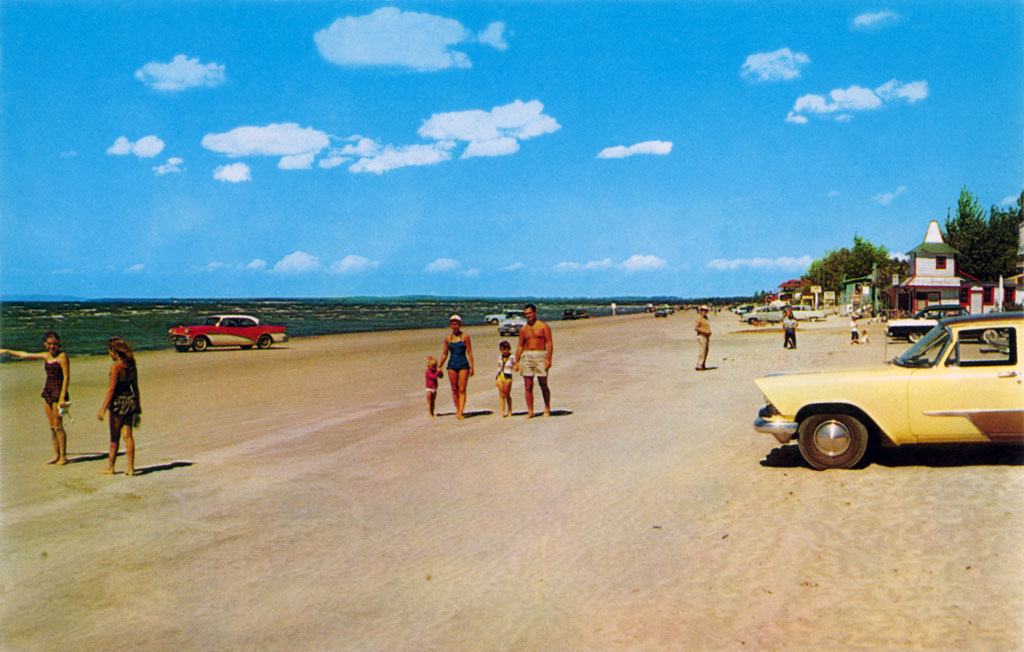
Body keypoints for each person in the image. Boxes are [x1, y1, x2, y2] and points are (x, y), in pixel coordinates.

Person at [1, 331, 71, 465]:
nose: (52, 346)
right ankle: (55, 454)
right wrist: (8, 351)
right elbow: (25, 354)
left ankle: (63, 456)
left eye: (55, 344)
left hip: (58, 392)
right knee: (51, 426)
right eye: (50, 344)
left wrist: (62, 396)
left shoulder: (63, 357)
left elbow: (66, 377)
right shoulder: (46, 356)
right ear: (45, 344)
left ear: (59, 344)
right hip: (47, 391)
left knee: (58, 426)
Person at [97, 336, 140, 476]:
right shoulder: (132, 365)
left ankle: (111, 467)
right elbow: (136, 387)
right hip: (130, 400)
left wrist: (102, 409)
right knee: (128, 436)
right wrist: (138, 406)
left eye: (109, 351)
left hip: (117, 403)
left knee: (114, 437)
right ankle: (131, 468)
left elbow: (111, 389)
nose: (109, 354)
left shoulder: (115, 367)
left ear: (114, 351)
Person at [515, 303, 553, 417]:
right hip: (527, 355)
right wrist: (516, 361)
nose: (528, 316)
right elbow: (520, 345)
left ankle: (547, 408)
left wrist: (549, 359)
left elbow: (549, 343)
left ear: (535, 312)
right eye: (526, 314)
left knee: (543, 384)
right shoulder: (523, 329)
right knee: (528, 385)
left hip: (540, 354)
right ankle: (530, 411)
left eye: (530, 313)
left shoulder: (543, 326)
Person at [437, 315, 474, 419]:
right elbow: (445, 354)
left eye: (456, 324)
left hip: (463, 364)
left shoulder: (465, 337)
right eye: (453, 324)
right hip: (452, 365)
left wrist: (472, 366)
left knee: (462, 389)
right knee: (454, 389)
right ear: (450, 325)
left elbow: (469, 352)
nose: (455, 326)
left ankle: (461, 412)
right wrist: (440, 366)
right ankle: (458, 409)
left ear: (460, 324)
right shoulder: (448, 339)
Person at [495, 340, 515, 417]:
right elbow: (498, 367)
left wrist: (516, 367)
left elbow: (515, 365)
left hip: (508, 375)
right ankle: (502, 411)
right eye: (503, 349)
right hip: (501, 375)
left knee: (507, 393)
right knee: (501, 394)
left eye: (506, 349)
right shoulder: (500, 357)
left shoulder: (512, 357)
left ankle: (509, 409)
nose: (505, 351)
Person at [695, 305, 712, 370]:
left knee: (706, 350)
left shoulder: (706, 318)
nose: (705, 312)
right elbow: (696, 328)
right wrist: (704, 331)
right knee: (702, 350)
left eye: (706, 311)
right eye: (703, 310)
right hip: (701, 336)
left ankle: (703, 364)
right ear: (701, 311)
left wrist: (709, 332)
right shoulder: (699, 318)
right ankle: (699, 364)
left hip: (707, 336)